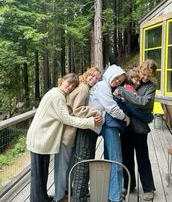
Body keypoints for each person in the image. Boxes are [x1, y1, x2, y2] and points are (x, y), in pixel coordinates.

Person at [26, 73, 103, 202]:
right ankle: (38, 199)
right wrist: (90, 122)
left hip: (41, 140)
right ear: (62, 81)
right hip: (39, 140)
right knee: (38, 175)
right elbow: (66, 119)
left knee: (42, 172)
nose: (70, 86)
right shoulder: (57, 96)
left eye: (73, 85)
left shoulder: (56, 93)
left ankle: (43, 197)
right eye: (68, 83)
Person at [54, 67, 102, 202]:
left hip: (71, 130)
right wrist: (95, 112)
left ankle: (67, 193)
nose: (94, 79)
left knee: (68, 165)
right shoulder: (84, 88)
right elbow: (78, 109)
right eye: (92, 75)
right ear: (87, 74)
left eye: (97, 78)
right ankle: (59, 197)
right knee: (62, 167)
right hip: (68, 131)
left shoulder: (82, 86)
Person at [117, 59, 157, 201]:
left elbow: (144, 103)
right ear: (139, 70)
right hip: (126, 127)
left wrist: (125, 96)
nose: (145, 77)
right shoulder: (128, 81)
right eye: (143, 73)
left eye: (149, 75)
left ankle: (148, 188)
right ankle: (129, 185)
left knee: (143, 159)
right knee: (126, 157)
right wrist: (131, 99)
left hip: (140, 128)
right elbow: (119, 95)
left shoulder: (150, 88)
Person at [92, 64, 130, 202]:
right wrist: (125, 118)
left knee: (110, 158)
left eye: (120, 81)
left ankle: (111, 192)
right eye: (116, 79)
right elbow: (111, 108)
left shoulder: (105, 86)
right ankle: (115, 197)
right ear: (110, 75)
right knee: (116, 160)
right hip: (107, 125)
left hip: (102, 124)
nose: (117, 82)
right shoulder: (103, 86)